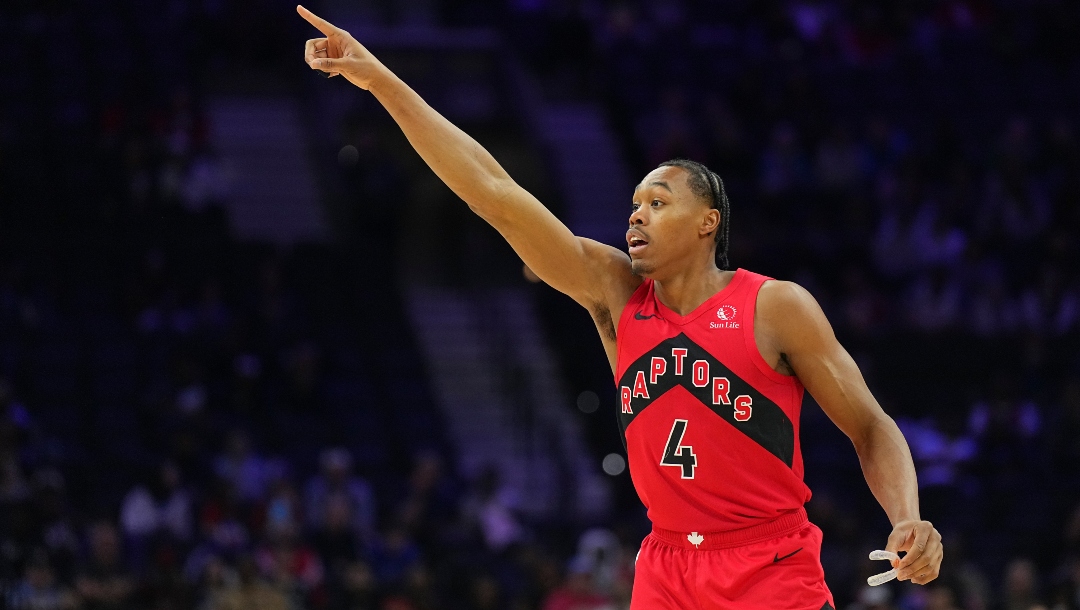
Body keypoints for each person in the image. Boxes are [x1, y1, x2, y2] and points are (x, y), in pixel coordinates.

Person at [296, 6, 944, 608]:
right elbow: (493, 192)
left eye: (658, 202)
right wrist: (379, 80)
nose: (636, 215)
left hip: (767, 566)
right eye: (634, 203)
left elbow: (869, 426)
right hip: (665, 567)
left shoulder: (774, 306)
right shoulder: (614, 293)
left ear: (707, 223)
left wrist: (907, 517)